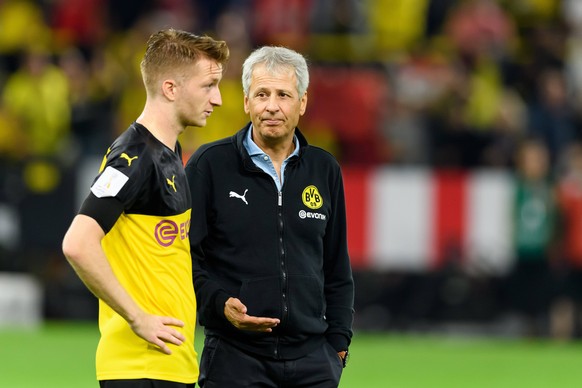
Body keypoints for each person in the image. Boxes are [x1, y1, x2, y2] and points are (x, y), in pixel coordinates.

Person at [61, 28, 229, 387]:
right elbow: (78, 242)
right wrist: (137, 317)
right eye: (207, 86)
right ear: (171, 88)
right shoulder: (134, 157)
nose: (217, 99)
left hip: (168, 364)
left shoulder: (167, 154)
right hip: (141, 367)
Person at [185, 46, 354, 387]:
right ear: (247, 102)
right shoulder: (210, 165)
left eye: (283, 95)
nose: (272, 106)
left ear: (302, 103)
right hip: (234, 358)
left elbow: (337, 265)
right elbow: (185, 257)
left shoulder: (324, 169)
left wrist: (338, 345)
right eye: (261, 94)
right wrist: (219, 304)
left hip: (313, 362)